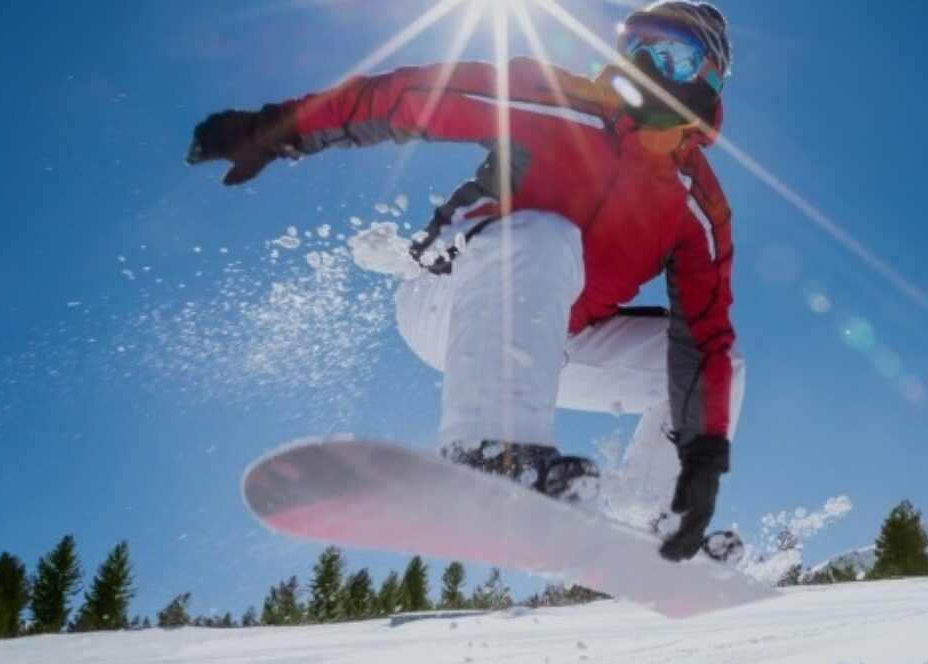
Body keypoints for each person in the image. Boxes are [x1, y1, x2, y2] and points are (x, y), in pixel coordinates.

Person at [187, 1, 741, 562]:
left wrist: (703, 462)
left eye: (670, 56)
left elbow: (704, 335)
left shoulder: (699, 205)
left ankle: (656, 520)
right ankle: (489, 451)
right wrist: (272, 130)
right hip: (454, 300)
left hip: (557, 342)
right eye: (636, 45)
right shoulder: (555, 101)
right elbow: (408, 97)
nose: (644, 63)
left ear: (708, 78)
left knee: (722, 364)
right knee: (546, 234)